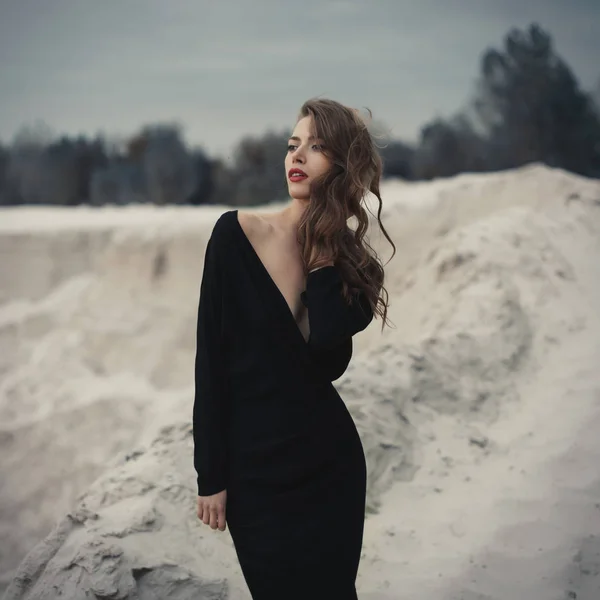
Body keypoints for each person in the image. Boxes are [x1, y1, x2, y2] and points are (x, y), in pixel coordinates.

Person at [193, 97, 395, 599]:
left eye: (317, 147)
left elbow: (327, 357)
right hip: (254, 476)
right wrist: (210, 473)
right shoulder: (235, 236)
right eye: (293, 145)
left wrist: (324, 259)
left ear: (343, 167)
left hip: (329, 467)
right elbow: (210, 361)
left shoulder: (359, 271)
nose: (297, 157)